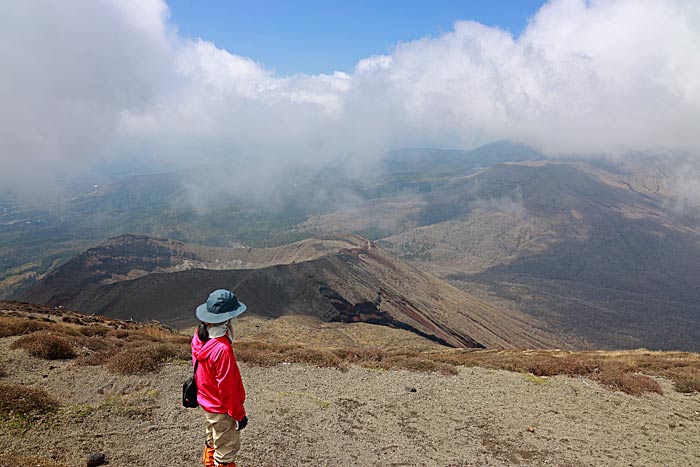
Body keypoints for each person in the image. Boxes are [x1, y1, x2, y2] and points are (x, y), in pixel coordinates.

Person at [192, 289, 249, 467]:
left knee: (212, 439)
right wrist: (239, 415)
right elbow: (228, 388)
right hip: (220, 407)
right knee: (225, 452)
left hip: (207, 401)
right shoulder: (222, 349)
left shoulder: (199, 336)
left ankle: (209, 464)